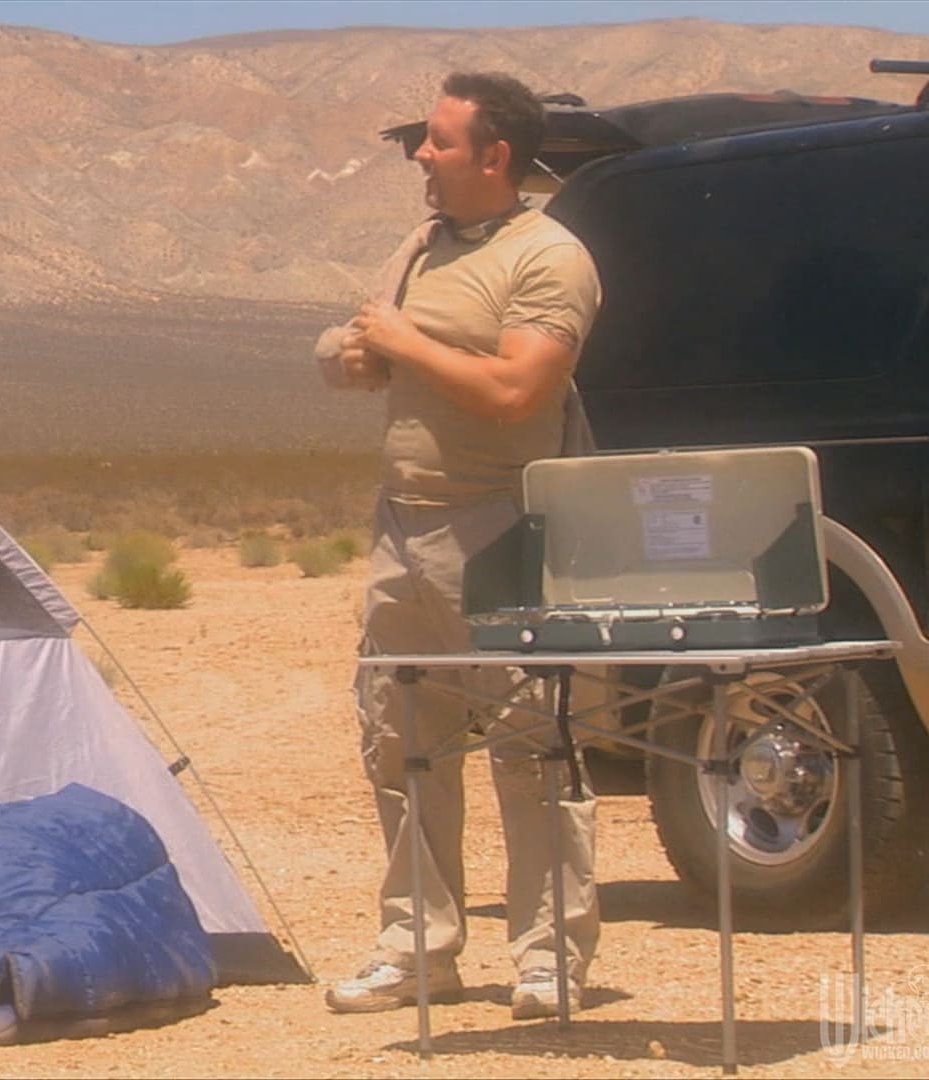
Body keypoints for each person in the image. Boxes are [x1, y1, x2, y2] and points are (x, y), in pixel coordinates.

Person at [315, 73, 603, 1020]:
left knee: (531, 740)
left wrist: (404, 343)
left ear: (496, 155)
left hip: (505, 526)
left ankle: (549, 959)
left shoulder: (549, 258)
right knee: (404, 742)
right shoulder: (421, 246)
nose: (421, 157)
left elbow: (518, 392)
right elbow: (366, 339)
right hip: (404, 526)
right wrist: (352, 354)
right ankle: (417, 948)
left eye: (438, 141)